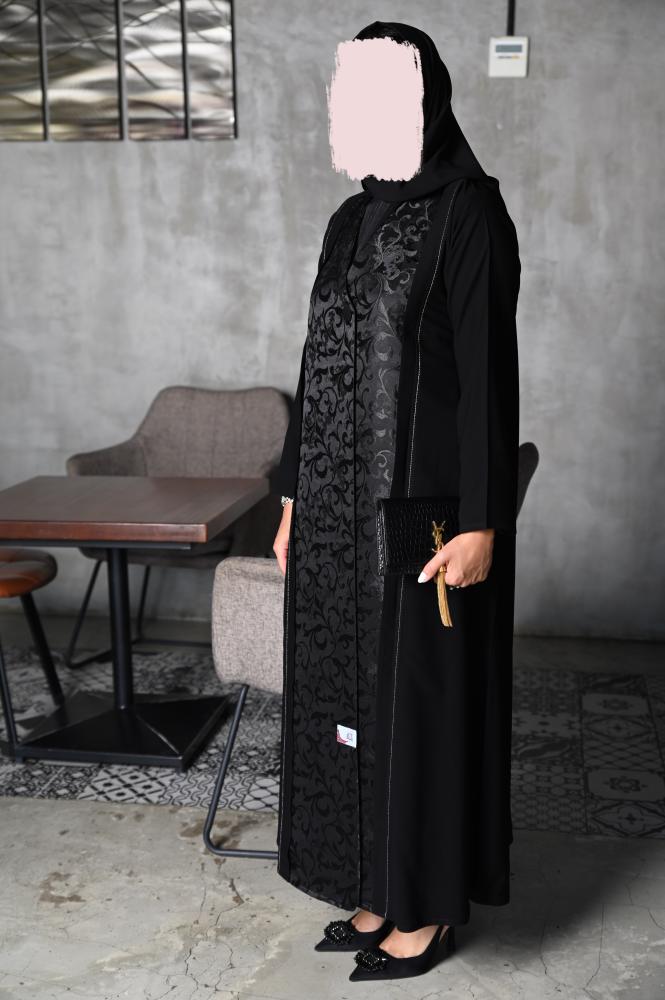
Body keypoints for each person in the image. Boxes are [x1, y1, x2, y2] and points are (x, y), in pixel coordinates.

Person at [271, 20, 521, 983]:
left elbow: (487, 379)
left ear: (422, 100)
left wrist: (481, 521)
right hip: (333, 514)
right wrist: (291, 503)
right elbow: (314, 365)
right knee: (345, 705)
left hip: (418, 515)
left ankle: (426, 911)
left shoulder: (469, 212)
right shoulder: (348, 218)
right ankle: (371, 885)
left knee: (413, 711)